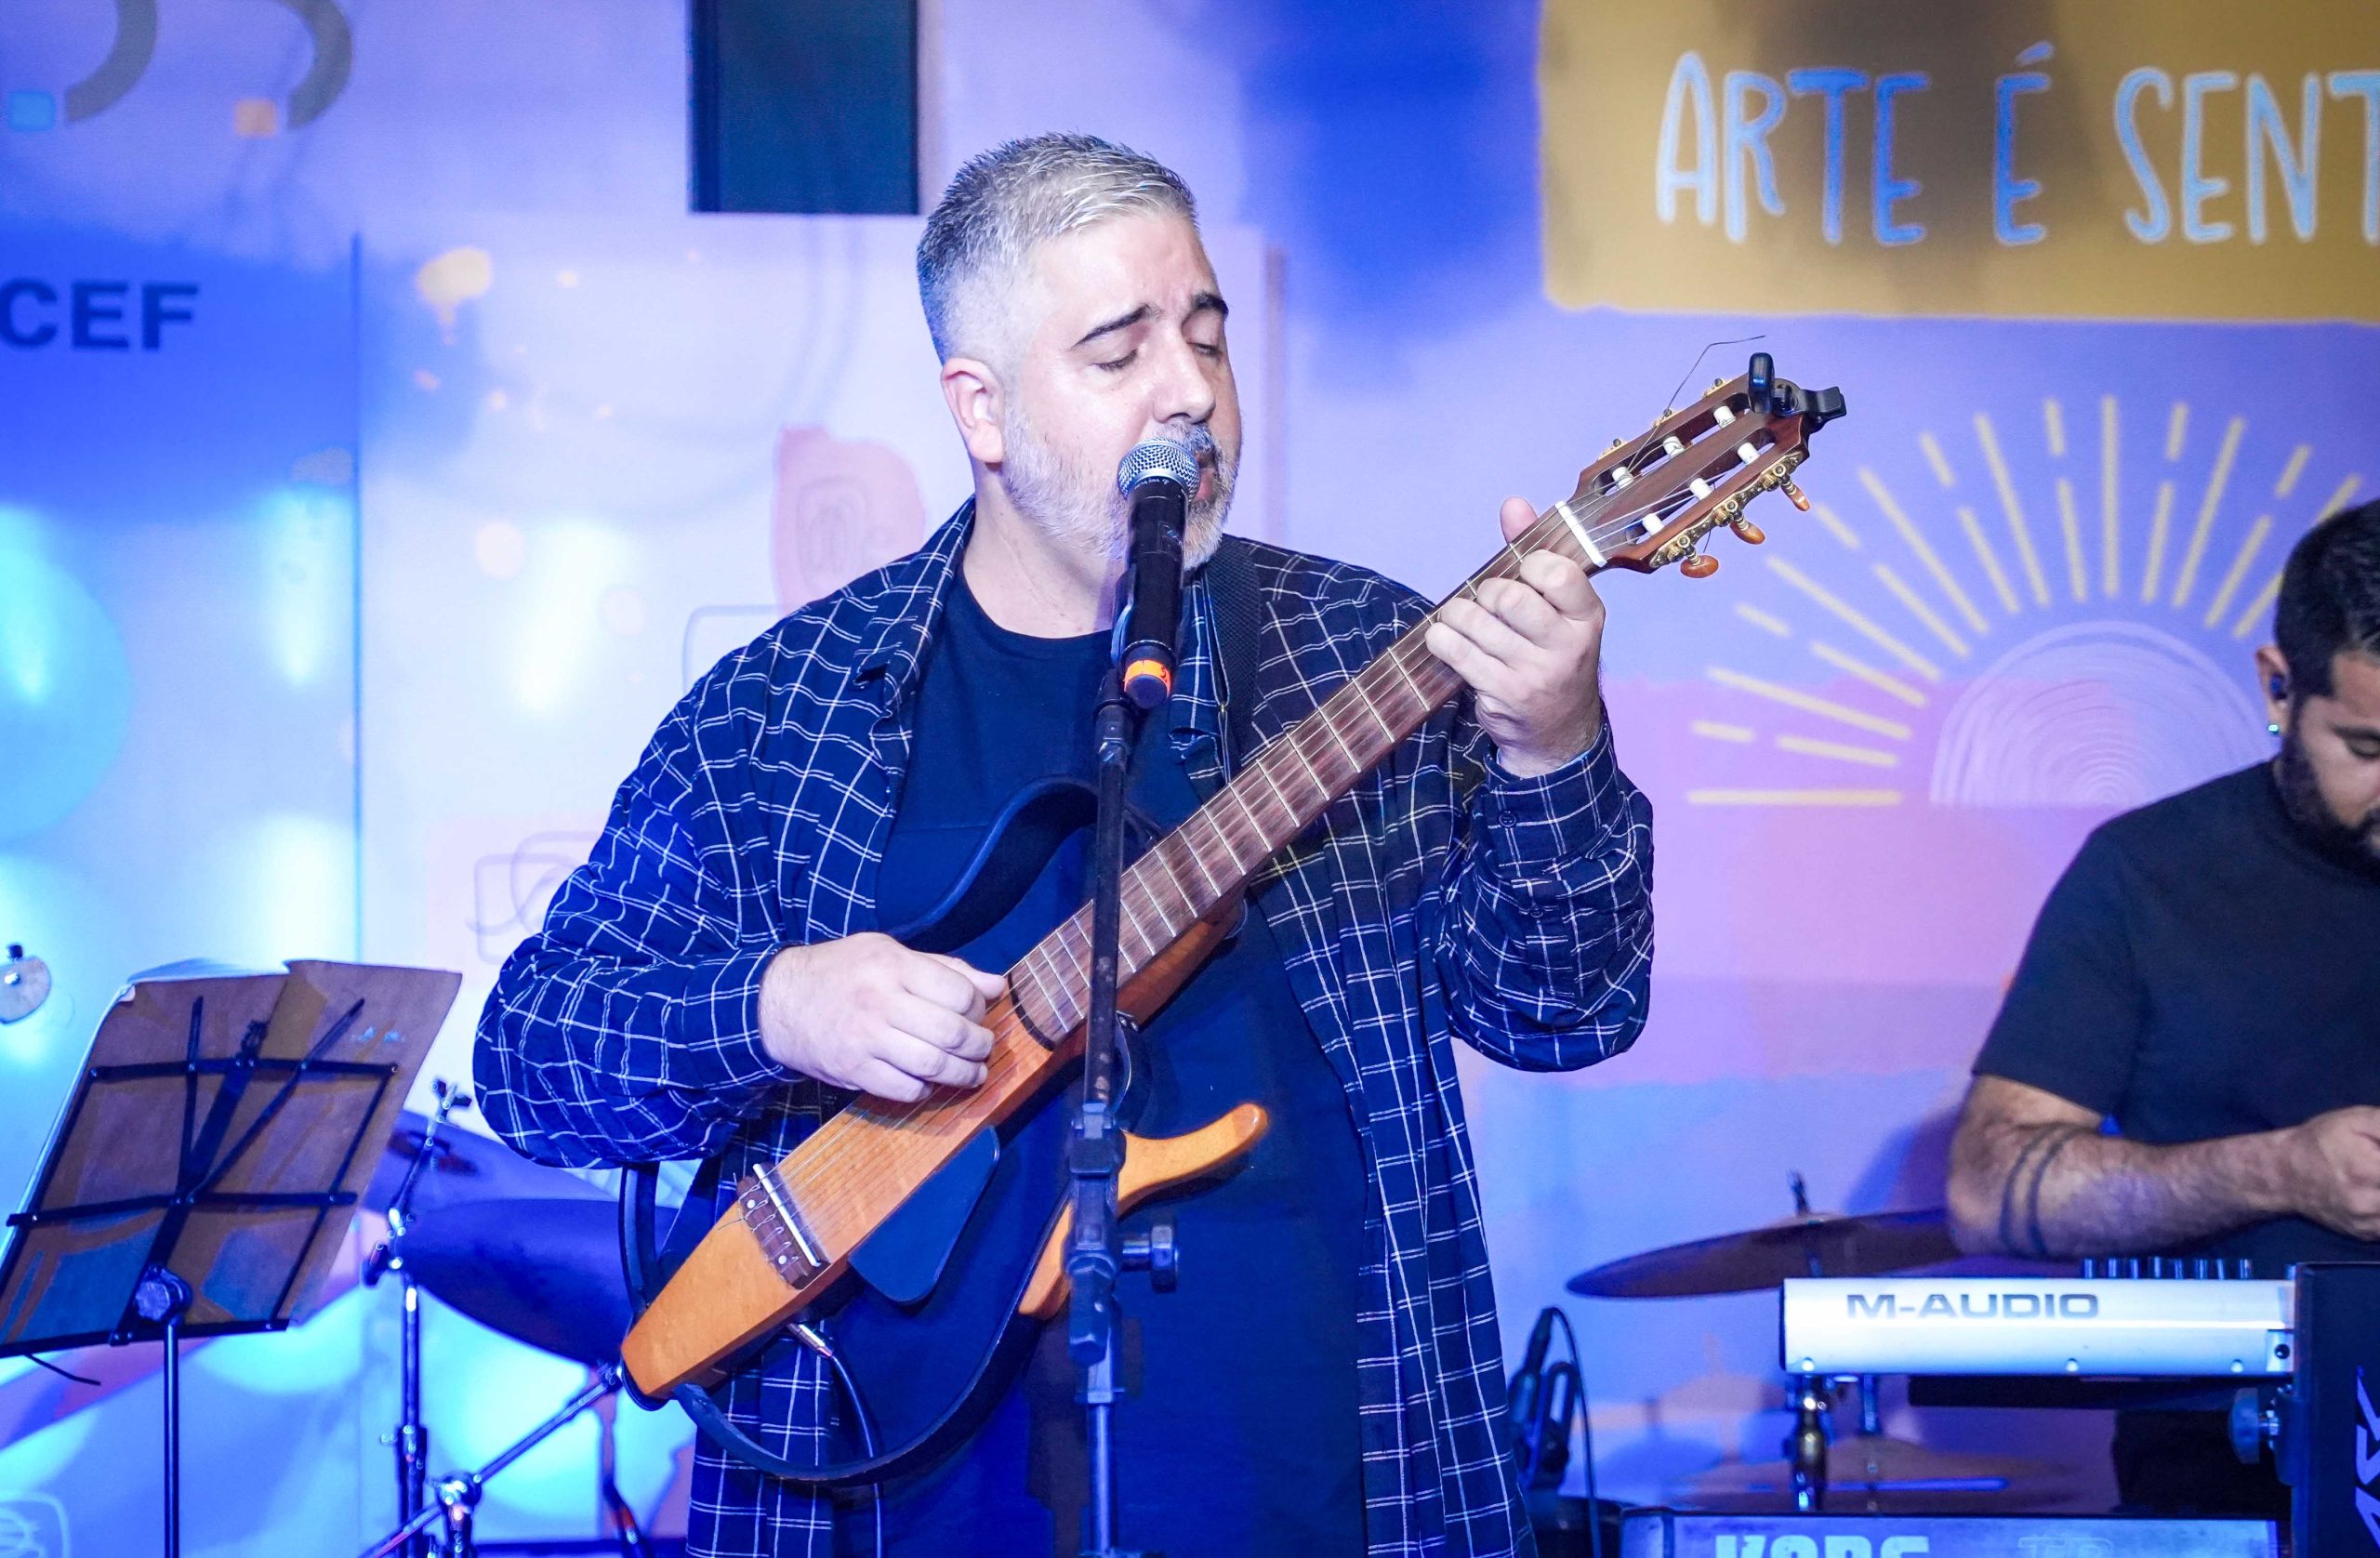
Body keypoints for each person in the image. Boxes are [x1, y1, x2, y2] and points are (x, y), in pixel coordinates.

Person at [475, 134, 1655, 1558]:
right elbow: (534, 1055)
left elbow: (1563, 1007)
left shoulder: (1356, 650)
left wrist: (1553, 747)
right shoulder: (785, 712)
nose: (1190, 390)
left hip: (1333, 1500)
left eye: (1207, 333)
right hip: (894, 1512)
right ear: (980, 407)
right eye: (1120, 350)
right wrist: (781, 1004)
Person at [1946, 498, 2380, 1517]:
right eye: (2367, 748)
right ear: (2278, 686)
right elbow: (1987, 1190)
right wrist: (2283, 1169)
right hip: (2230, 1476)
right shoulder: (2147, 875)